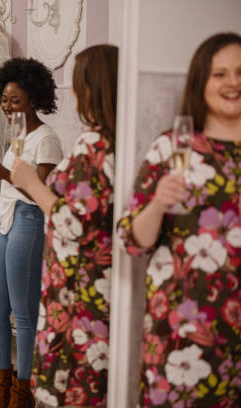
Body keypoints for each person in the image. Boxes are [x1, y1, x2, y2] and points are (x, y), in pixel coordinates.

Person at [117, 32, 241, 408]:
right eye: (219, 74)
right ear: (200, 81)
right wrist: (157, 205)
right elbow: (131, 240)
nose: (233, 83)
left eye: (240, 72)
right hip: (180, 333)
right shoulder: (171, 147)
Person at [11, 44, 118, 408]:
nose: (72, 92)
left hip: (78, 281)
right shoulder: (120, 143)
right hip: (102, 277)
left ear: (89, 89)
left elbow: (72, 221)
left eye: (75, 84)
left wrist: (30, 182)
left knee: (77, 379)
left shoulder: (93, 147)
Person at [0, 57, 62, 408]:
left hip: (30, 220)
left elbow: (42, 194)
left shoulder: (47, 139)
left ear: (34, 98)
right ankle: (3, 386)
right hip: (8, 223)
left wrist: (4, 175)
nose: (7, 106)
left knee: (24, 313)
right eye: (4, 99)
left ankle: (22, 392)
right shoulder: (16, 135)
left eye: (15, 100)